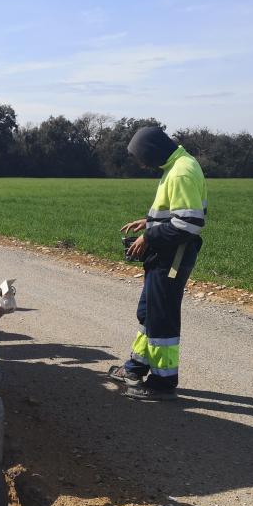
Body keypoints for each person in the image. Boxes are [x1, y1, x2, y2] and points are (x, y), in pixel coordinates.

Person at [108, 126, 207, 400]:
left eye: (142, 158)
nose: (142, 164)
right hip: (166, 254)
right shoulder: (176, 164)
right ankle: (136, 367)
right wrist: (149, 221)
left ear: (153, 151)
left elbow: (189, 224)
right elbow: (175, 213)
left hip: (172, 258)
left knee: (161, 317)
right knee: (149, 312)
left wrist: (149, 237)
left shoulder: (181, 172)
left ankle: (163, 382)